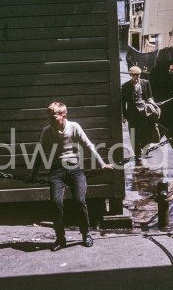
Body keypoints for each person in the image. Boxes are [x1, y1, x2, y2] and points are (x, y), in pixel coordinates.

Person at [28, 101, 112, 251]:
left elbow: (89, 146)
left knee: (80, 201)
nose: (50, 120)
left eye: (53, 117)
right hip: (57, 171)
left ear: (63, 115)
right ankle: (60, 239)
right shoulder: (47, 131)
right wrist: (32, 174)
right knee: (56, 203)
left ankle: (85, 233)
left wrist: (102, 164)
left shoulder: (74, 127)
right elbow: (40, 152)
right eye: (48, 117)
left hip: (74, 169)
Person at [121, 66, 155, 166]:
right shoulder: (125, 86)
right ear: (130, 75)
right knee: (134, 134)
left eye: (138, 75)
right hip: (132, 113)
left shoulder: (146, 83)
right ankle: (137, 154)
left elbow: (149, 96)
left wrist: (151, 103)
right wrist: (123, 115)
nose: (137, 77)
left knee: (145, 131)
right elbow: (123, 102)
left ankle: (145, 148)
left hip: (144, 112)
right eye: (135, 75)